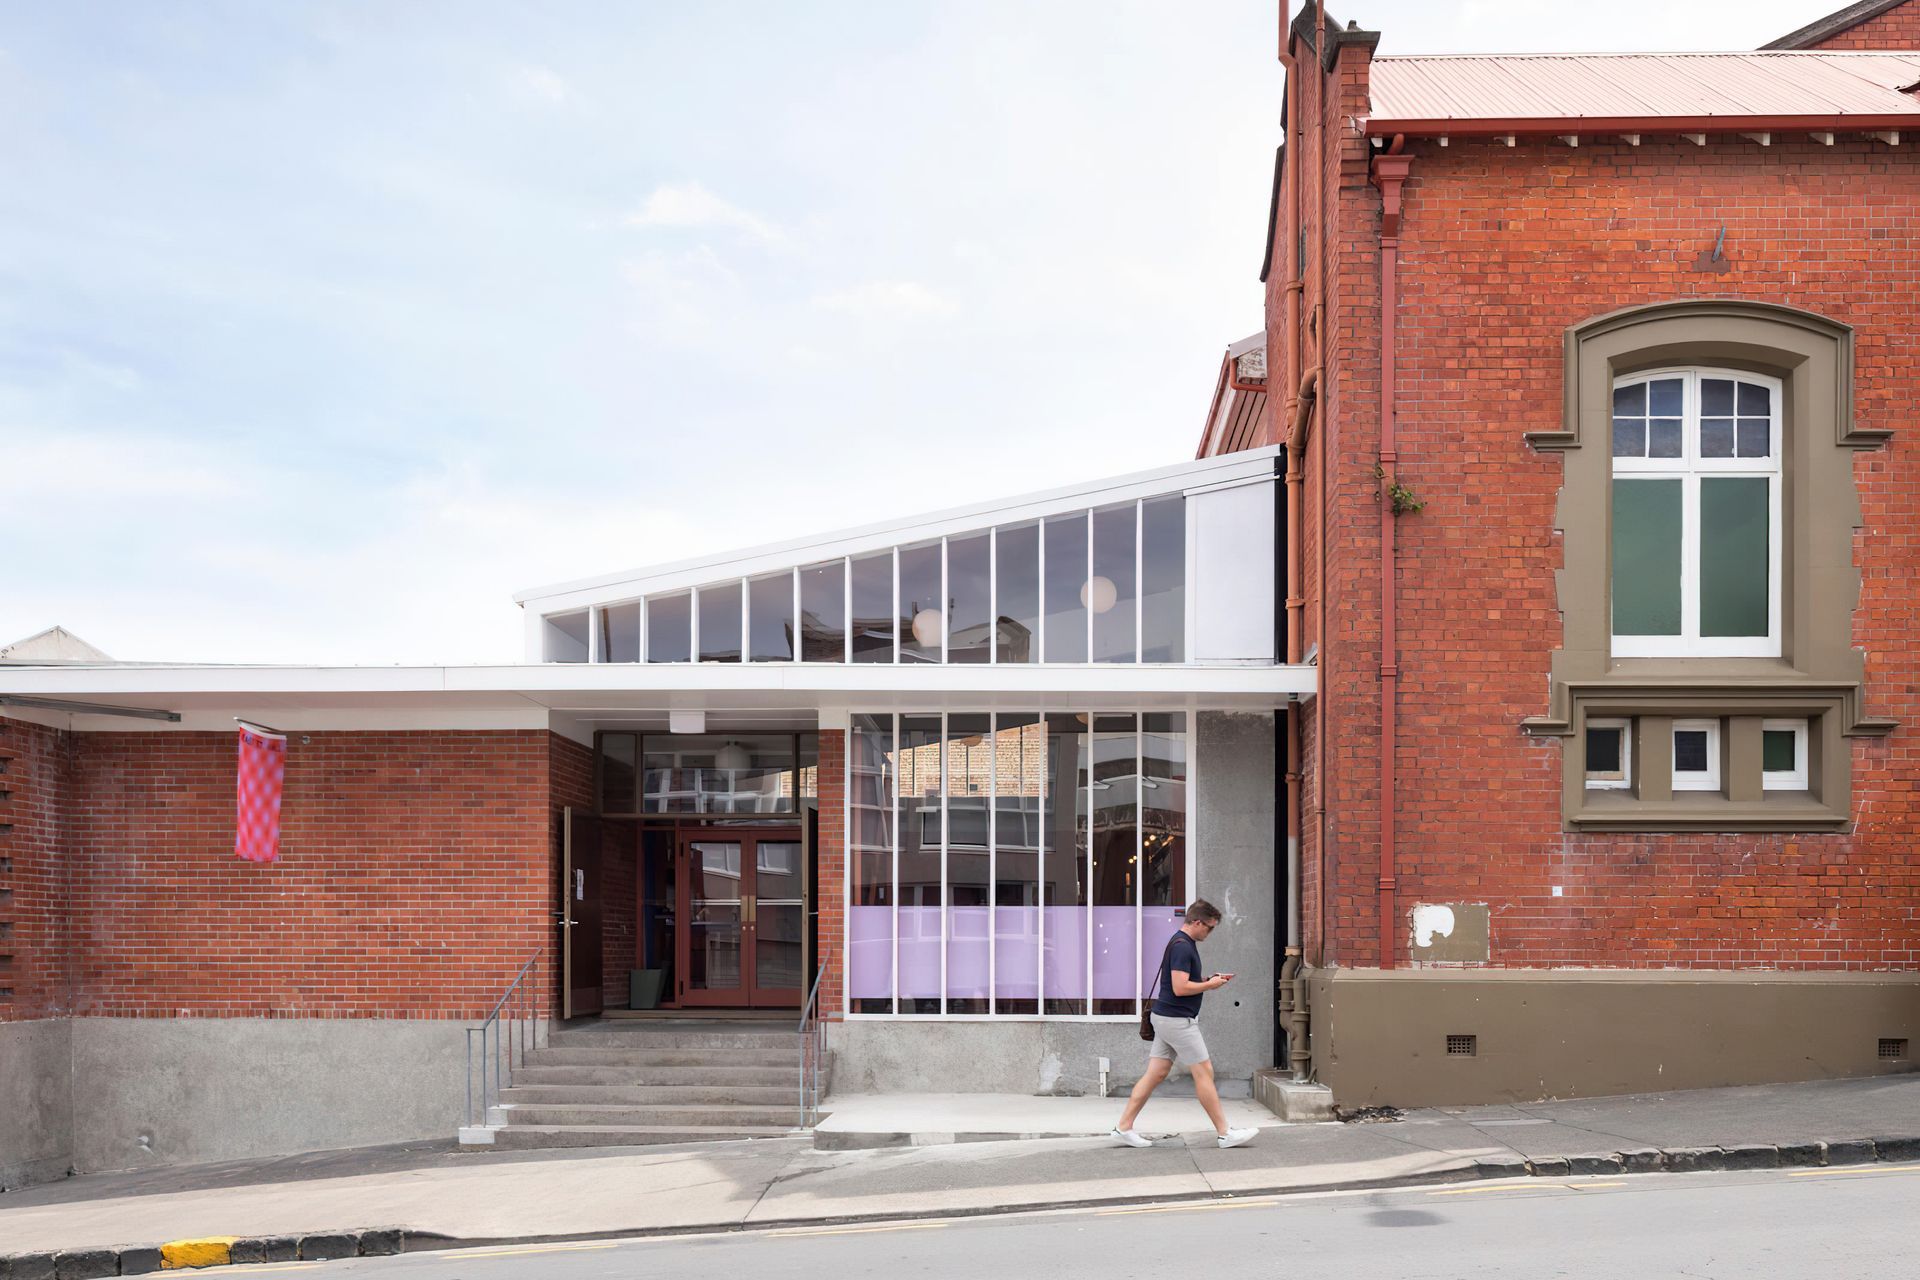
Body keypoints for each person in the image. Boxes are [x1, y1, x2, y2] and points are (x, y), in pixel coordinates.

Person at [1110, 899, 1259, 1150]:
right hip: (1177, 1020)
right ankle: (1225, 1134)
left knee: (1155, 1073)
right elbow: (1179, 988)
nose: (1209, 933)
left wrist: (1205, 980)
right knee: (1204, 1072)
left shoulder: (1180, 942)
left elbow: (1181, 982)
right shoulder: (1182, 947)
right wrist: (1209, 985)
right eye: (1209, 928)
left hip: (1167, 1017)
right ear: (1197, 922)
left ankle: (1123, 1128)